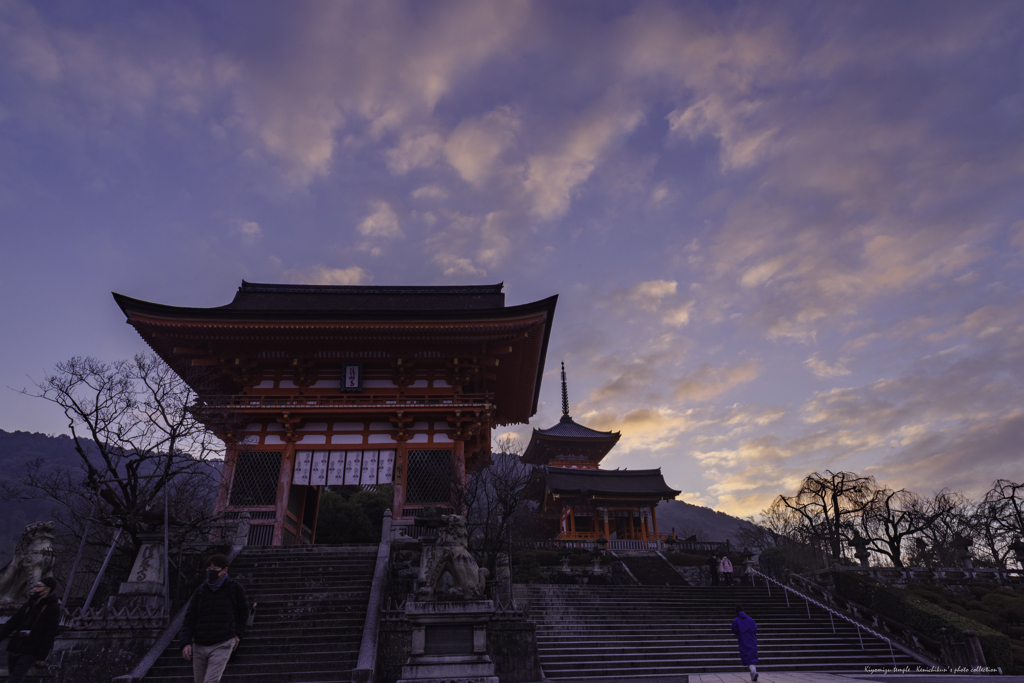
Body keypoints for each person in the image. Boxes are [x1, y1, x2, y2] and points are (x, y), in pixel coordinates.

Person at [180, 553, 249, 683]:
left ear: (225, 570)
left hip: (223, 641)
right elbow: (190, 617)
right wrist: (185, 642)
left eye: (215, 570)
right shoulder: (201, 591)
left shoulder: (234, 588)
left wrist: (238, 634)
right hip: (200, 643)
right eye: (208, 569)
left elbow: (243, 613)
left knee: (211, 681)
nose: (211, 572)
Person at [0, 577, 61, 683]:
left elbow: (50, 634)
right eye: (35, 586)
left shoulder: (52, 608)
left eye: (38, 587)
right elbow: (13, 622)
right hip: (16, 646)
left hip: (31, 650)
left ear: (47, 589)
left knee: (15, 678)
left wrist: (42, 655)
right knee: (14, 676)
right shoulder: (31, 603)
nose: (35, 589)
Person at [731, 605, 759, 681]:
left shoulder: (736, 620)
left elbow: (734, 630)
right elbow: (755, 628)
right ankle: (753, 673)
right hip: (752, 639)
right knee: (752, 657)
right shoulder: (750, 619)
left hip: (743, 640)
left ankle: (753, 671)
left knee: (747, 657)